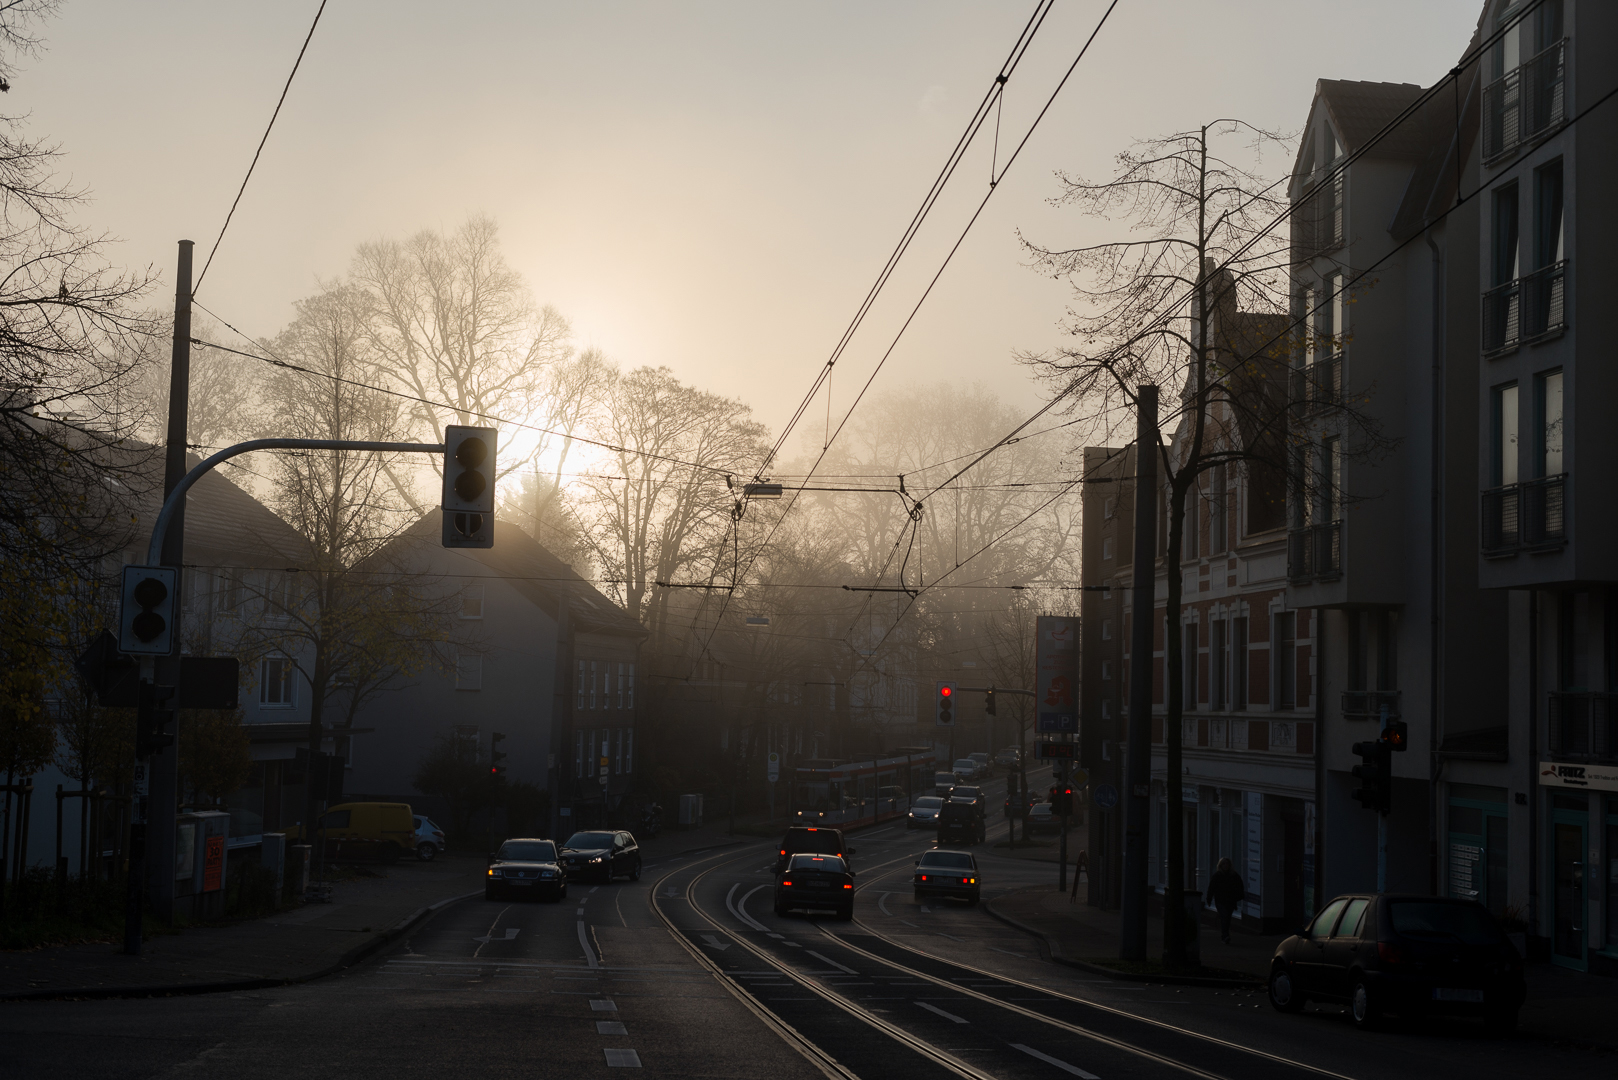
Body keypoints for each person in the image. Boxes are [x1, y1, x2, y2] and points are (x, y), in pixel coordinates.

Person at [1205, 857, 1245, 944]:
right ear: (1220, 865)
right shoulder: (1217, 876)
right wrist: (1209, 898)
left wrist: (1239, 896)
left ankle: (1225, 934)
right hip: (1220, 901)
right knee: (1225, 916)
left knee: (1227, 918)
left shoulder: (1234, 876)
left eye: (1227, 864)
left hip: (1230, 901)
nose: (1226, 865)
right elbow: (1211, 887)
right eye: (1224, 864)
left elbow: (1240, 886)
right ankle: (1225, 935)